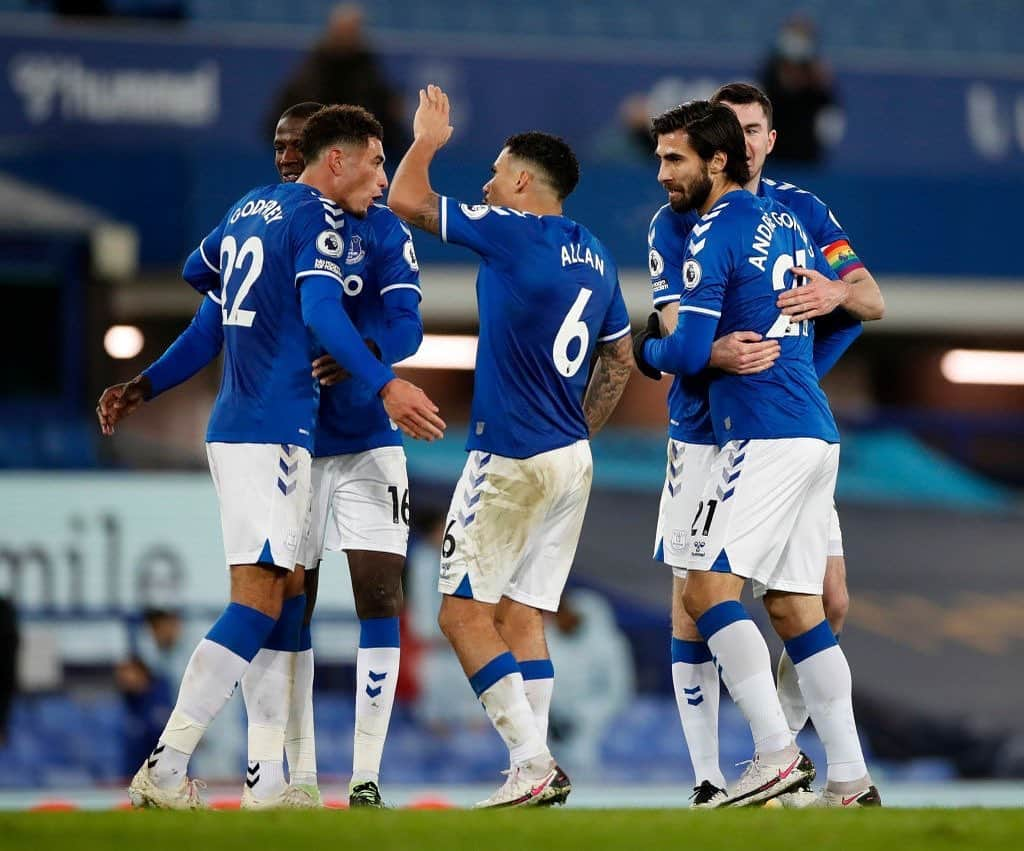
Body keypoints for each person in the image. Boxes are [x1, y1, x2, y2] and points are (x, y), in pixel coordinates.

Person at [99, 104, 444, 810]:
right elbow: (320, 311)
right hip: (273, 429)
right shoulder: (314, 217)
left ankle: (264, 780)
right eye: (376, 161)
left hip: (246, 427)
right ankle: (166, 767)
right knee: (258, 601)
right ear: (337, 159)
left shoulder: (248, 209)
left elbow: (208, 306)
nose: (383, 176)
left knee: (283, 596)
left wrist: (145, 382)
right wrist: (387, 382)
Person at [388, 85, 634, 808]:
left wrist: (428, 138)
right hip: (570, 459)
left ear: (524, 182)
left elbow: (406, 198)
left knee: (461, 612)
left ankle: (531, 763)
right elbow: (618, 359)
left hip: (511, 455)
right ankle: (539, 766)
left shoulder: (509, 227)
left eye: (497, 173)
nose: (488, 184)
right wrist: (579, 431)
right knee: (523, 613)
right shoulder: (595, 254)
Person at [642, 81, 883, 807]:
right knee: (792, 604)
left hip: (759, 433)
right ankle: (841, 777)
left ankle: (776, 753)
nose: (664, 174)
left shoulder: (721, 226)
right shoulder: (782, 221)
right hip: (792, 430)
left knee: (709, 592)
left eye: (674, 159)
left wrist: (641, 353)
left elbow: (684, 343)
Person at [268, 4, 410, 163]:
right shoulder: (313, 71)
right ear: (333, 30)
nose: (349, 35)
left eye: (354, 30)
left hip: (356, 151)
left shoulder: (366, 66)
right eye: (345, 29)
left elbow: (380, 106)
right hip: (320, 153)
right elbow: (288, 114)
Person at [759, 14, 840, 163]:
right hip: (773, 159)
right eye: (794, 33)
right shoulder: (771, 70)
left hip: (806, 157)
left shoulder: (818, 75)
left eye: (802, 35)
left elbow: (830, 119)